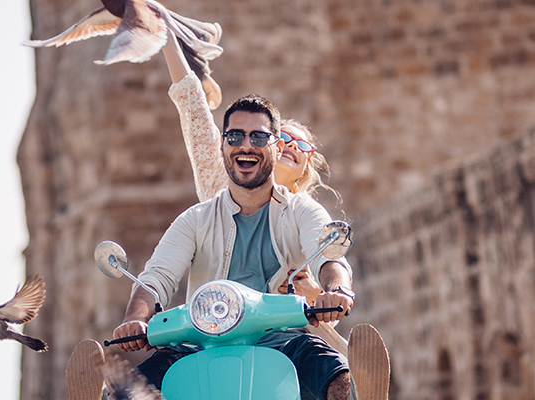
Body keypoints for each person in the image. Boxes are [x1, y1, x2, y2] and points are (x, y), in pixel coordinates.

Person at [111, 94, 357, 400]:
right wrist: (134, 319)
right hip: (199, 342)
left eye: (258, 136)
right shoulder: (195, 219)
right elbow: (156, 276)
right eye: (235, 136)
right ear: (223, 146)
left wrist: (338, 289)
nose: (246, 145)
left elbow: (329, 255)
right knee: (126, 393)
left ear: (276, 146)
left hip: (281, 340)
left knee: (339, 378)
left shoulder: (301, 210)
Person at [159, 31, 352, 353]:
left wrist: (316, 293)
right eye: (284, 138)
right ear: (272, 148)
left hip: (286, 342)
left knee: (331, 370)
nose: (291, 145)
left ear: (306, 166)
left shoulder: (306, 216)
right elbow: (192, 107)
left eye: (302, 145)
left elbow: (332, 285)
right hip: (215, 331)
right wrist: (164, 36)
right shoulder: (219, 189)